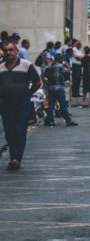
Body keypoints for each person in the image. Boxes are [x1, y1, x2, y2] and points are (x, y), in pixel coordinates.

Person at [0, 41, 43, 170]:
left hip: (22, 103)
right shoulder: (1, 68)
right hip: (6, 104)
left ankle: (16, 158)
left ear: (16, 51)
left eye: (11, 50)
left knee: (19, 130)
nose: (8, 53)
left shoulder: (27, 65)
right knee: (9, 131)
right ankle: (14, 156)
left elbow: (38, 82)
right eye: (6, 50)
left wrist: (28, 93)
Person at [42, 53, 78, 127]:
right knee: (63, 105)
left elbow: (42, 75)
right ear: (60, 59)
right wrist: (67, 65)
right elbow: (67, 72)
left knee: (51, 105)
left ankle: (51, 121)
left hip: (51, 88)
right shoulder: (61, 66)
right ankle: (68, 121)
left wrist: (45, 81)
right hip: (60, 88)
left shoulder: (48, 67)